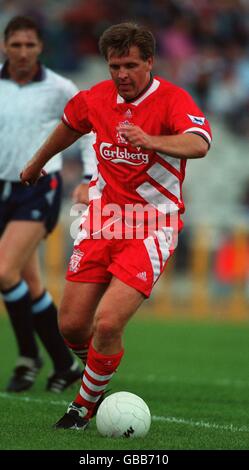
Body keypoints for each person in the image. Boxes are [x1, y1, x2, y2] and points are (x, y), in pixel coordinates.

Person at [20, 22, 212, 428]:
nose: (121, 74)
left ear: (149, 62)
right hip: (101, 221)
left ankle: (81, 406)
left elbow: (199, 143)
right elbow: (70, 126)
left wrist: (152, 140)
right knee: (71, 325)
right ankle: (98, 377)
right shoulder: (96, 98)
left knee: (106, 323)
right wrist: (36, 164)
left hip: (152, 225)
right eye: (114, 66)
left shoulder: (173, 100)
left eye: (129, 65)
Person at [0, 15, 96, 393]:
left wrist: (90, 178)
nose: (23, 52)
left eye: (30, 45)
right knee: (30, 284)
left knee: (5, 272)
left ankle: (28, 357)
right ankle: (63, 364)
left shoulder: (60, 88)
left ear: (41, 47)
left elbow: (90, 129)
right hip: (2, 190)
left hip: (38, 188)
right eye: (16, 44)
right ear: (5, 45)